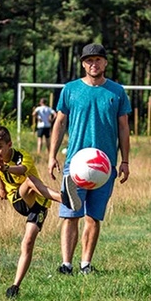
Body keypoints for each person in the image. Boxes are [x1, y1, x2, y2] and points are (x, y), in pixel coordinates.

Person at [47, 43, 132, 275]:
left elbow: (124, 128)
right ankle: (66, 264)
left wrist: (124, 161)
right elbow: (60, 122)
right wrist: (52, 156)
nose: (93, 64)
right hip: (74, 166)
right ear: (83, 64)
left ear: (105, 63)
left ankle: (85, 264)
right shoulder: (70, 89)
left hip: (104, 167)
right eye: (88, 60)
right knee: (70, 215)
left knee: (93, 217)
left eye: (98, 60)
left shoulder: (117, 92)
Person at [0, 125, 80, 298]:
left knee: (28, 242)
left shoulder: (22, 156)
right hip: (19, 200)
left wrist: (5, 169)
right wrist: (2, 189)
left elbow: (21, 170)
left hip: (40, 205)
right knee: (29, 182)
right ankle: (64, 199)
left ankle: (14, 287)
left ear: (9, 145)